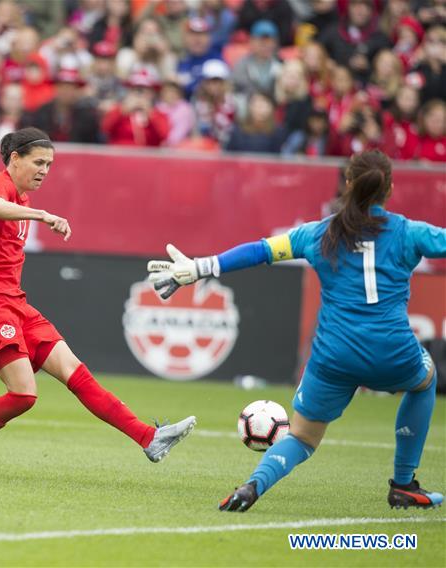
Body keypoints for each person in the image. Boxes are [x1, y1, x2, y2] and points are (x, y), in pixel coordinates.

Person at [146, 149, 445, 512]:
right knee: (424, 381)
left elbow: (259, 251)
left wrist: (198, 268)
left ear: (348, 184)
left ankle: (252, 486)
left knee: (302, 436)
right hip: (392, 350)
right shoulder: (410, 232)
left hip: (334, 355)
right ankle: (403, 484)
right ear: (390, 189)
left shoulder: (319, 233)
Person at [0, 127, 196, 478]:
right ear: (15, 159)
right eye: (39, 162)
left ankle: (148, 438)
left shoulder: (23, 200)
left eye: (50, 164)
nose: (45, 170)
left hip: (14, 301)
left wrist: (33, 212)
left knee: (77, 374)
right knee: (24, 394)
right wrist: (42, 215)